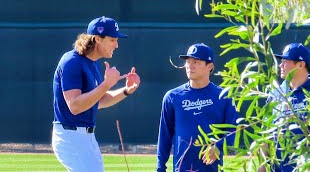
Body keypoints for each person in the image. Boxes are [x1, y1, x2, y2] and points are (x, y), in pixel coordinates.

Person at [51, 16, 141, 172]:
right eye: (113, 39)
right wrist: (106, 84)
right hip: (70, 135)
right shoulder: (71, 62)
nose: (117, 45)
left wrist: (126, 90)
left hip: (86, 137)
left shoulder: (92, 64)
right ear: (98, 38)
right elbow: (75, 106)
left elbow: (98, 101)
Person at [156, 43, 238, 172]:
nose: (190, 66)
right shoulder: (173, 97)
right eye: (188, 61)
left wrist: (218, 146)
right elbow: (165, 135)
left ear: (209, 67)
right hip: (181, 168)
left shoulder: (224, 96)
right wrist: (160, 168)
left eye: (196, 61)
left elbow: (234, 131)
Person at [259, 43, 310, 171]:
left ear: (301, 65)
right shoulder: (277, 93)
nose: (280, 65)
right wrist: (262, 166)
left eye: (285, 61)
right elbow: (267, 132)